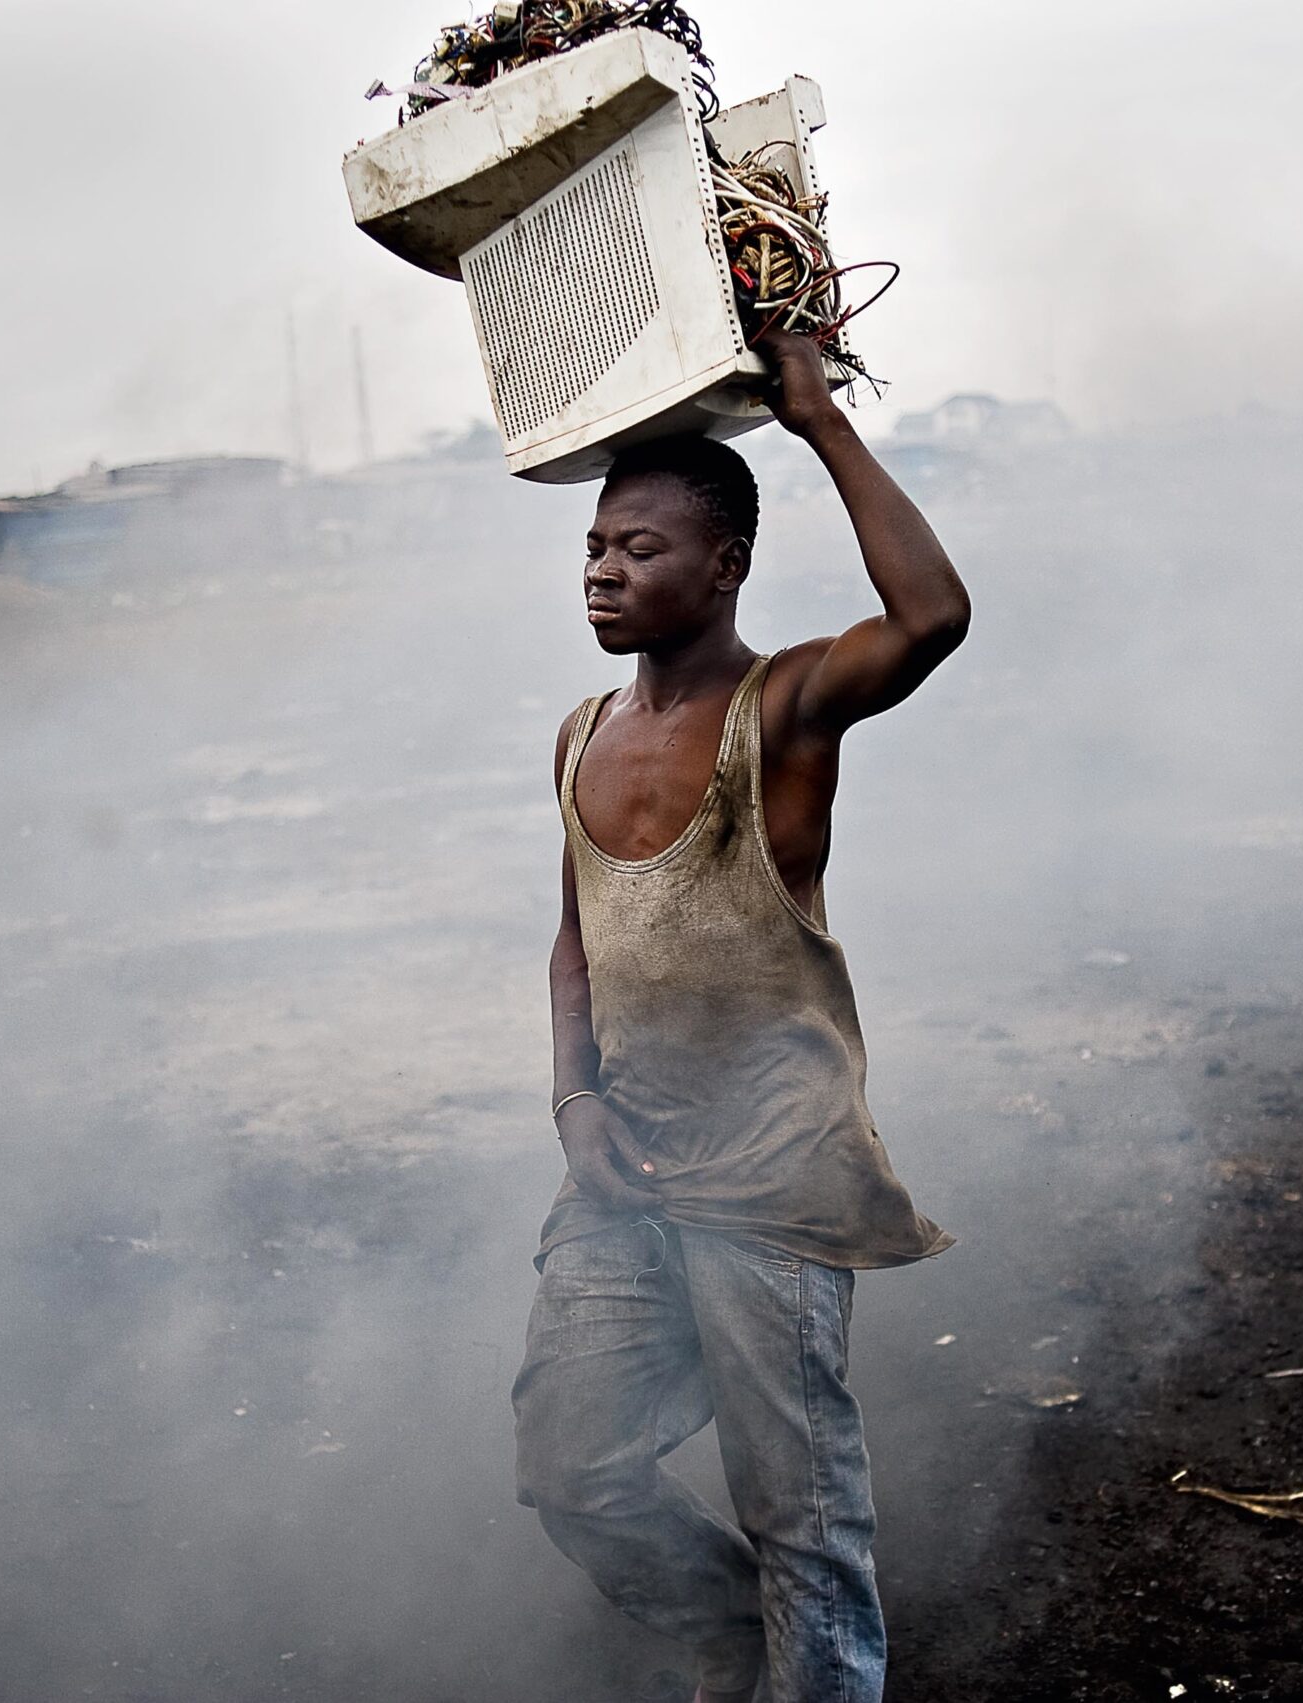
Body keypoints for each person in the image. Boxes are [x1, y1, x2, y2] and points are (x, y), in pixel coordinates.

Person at [512, 331, 970, 1703]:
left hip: (773, 1186)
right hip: (627, 1177)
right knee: (573, 1469)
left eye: (641, 547)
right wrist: (575, 1104)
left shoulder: (782, 712)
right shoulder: (582, 732)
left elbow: (932, 620)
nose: (601, 567)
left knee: (804, 1522)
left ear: (725, 569)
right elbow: (576, 944)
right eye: (596, 543)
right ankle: (729, 1639)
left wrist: (820, 420)